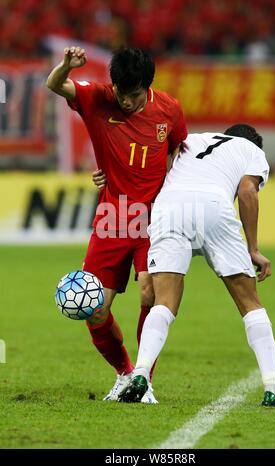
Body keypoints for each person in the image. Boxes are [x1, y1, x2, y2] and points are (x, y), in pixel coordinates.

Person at [118, 124, 275, 406]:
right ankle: (273, 389)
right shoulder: (251, 151)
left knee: (163, 303)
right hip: (215, 207)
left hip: (170, 207)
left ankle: (140, 373)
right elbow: (248, 193)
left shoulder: (190, 139)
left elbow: (152, 167)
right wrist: (253, 248)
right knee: (250, 303)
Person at [46, 47, 187, 403]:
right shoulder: (98, 98)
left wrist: (170, 186)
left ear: (147, 87)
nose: (125, 102)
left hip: (154, 218)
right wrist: (66, 65)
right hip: (112, 218)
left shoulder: (168, 108)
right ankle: (124, 373)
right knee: (93, 307)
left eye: (134, 95)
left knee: (149, 292)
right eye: (121, 94)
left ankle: (144, 379)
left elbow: (178, 151)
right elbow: (55, 85)